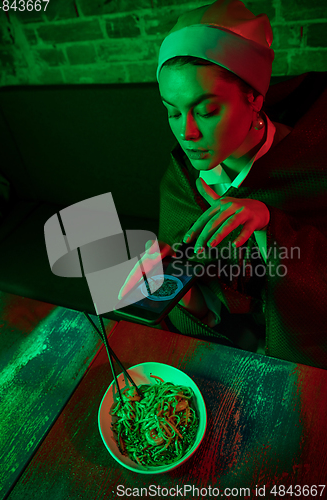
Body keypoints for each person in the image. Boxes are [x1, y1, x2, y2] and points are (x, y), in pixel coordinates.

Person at [120, 0, 327, 369]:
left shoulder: (314, 161)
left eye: (207, 110)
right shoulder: (182, 180)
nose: (187, 133)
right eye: (172, 111)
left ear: (254, 100)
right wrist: (184, 295)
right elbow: (216, 312)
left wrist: (271, 223)